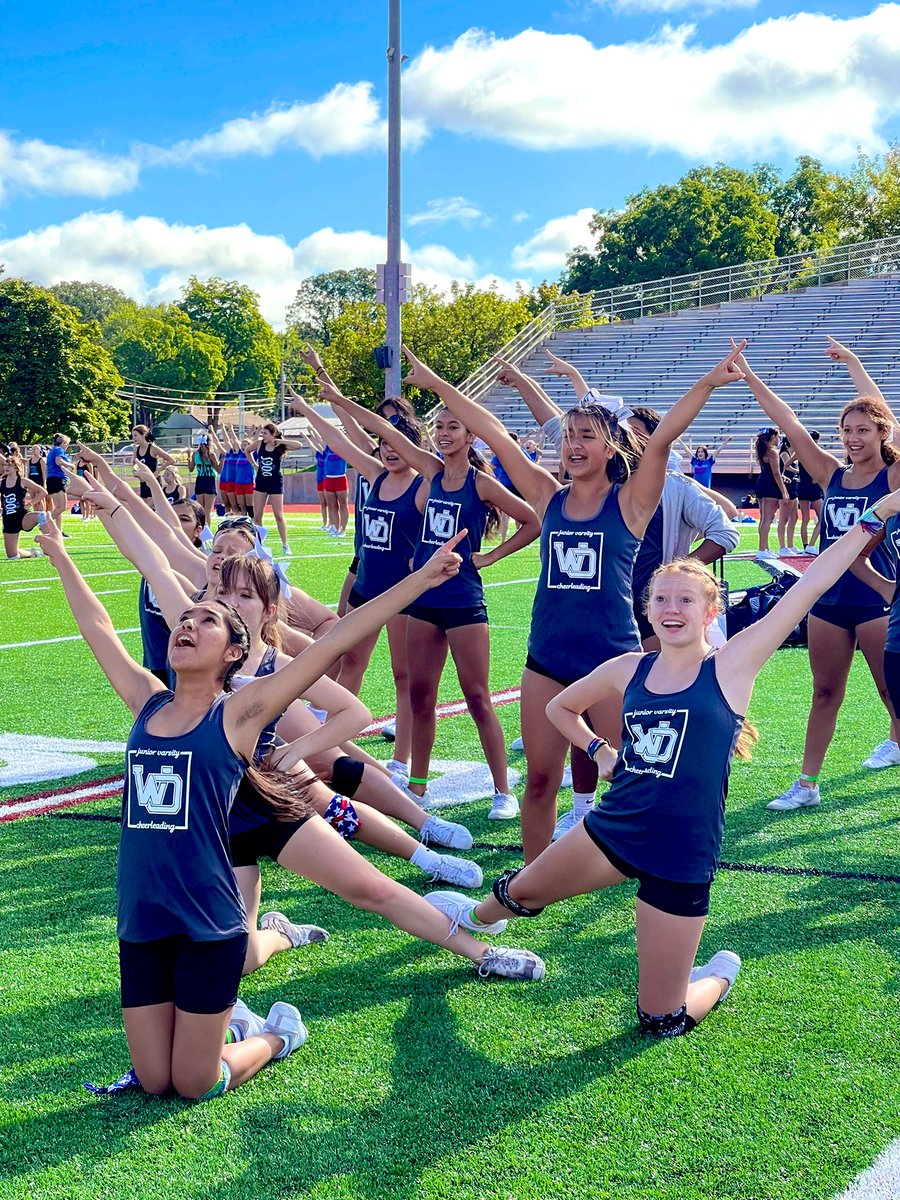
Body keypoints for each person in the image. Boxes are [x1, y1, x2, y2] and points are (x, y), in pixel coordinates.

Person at [425, 490, 900, 1038]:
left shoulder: (733, 666)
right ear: (646, 609)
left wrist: (878, 515)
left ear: (710, 611)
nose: (671, 610)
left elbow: (814, 581)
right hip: (614, 828)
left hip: (681, 851)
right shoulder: (628, 667)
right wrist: (600, 752)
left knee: (661, 1020)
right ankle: (469, 919)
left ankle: (717, 974)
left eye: (685, 601)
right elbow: (560, 707)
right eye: (661, 601)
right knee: (517, 895)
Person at [426, 342, 748, 861]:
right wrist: (439, 385)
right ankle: (529, 883)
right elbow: (494, 434)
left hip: (613, 660)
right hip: (546, 659)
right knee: (539, 781)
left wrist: (708, 384)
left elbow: (663, 438)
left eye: (586, 437)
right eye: (568, 436)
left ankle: (638, 864)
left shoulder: (632, 501)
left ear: (610, 448)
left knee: (632, 778)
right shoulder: (546, 496)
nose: (572, 445)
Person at [319, 354, 541, 820]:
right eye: (439, 427)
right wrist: (337, 400)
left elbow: (532, 521)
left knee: (477, 696)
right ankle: (417, 787)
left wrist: (490, 556)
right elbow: (388, 434)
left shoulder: (482, 484)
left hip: (463, 601)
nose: (443, 433)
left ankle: (503, 790)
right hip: (423, 601)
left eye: (453, 427)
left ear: (471, 436)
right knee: (421, 695)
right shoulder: (430, 472)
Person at [732, 340, 900, 803]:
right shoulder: (831, 475)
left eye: (864, 429)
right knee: (825, 692)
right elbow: (789, 422)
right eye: (847, 430)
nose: (853, 438)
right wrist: (749, 378)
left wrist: (854, 365)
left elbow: (888, 417)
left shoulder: (893, 476)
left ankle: (895, 738)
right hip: (826, 600)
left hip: (876, 599)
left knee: (893, 693)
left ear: (883, 433)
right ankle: (807, 784)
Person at [289, 387, 422, 777]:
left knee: (404, 675)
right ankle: (332, 742)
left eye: (398, 444)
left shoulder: (423, 486)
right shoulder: (376, 475)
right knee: (349, 662)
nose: (389, 451)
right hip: (366, 588)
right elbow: (338, 441)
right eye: (383, 444)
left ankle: (401, 760)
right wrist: (307, 411)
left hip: (401, 596)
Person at [245, 422, 304, 557]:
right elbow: (247, 450)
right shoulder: (260, 444)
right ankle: (259, 544)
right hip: (261, 482)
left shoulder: (280, 445)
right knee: (257, 515)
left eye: (265, 433)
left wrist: (280, 440)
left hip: (275, 482)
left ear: (273, 434)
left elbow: (298, 445)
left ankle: (285, 544)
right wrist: (254, 465)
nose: (263, 436)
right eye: (262, 433)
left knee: (278, 514)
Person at [1, 446, 48, 558]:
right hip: (8, 520)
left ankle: (53, 546)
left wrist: (30, 504)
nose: (6, 467)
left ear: (16, 467)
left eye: (9, 465)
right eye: (5, 465)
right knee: (12, 556)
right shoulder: (1, 483)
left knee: (42, 516)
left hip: (22, 516)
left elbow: (43, 492)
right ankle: (33, 553)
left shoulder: (23, 481)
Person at [753, 428, 788, 560]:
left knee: (763, 519)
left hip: (761, 484)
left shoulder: (762, 450)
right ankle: (762, 549)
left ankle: (765, 547)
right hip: (769, 487)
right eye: (777, 436)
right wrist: (784, 491)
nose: (778, 439)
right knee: (768, 519)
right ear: (772, 437)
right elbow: (776, 473)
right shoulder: (772, 451)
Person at [131, 425, 175, 505]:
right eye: (133, 436)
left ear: (143, 435)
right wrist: (137, 474)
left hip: (154, 481)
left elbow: (171, 460)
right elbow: (134, 465)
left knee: (152, 506)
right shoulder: (136, 449)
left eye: (135, 435)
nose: (134, 438)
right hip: (144, 482)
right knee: (144, 506)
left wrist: (158, 471)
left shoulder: (152, 448)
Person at [797, 429, 823, 555]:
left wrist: (800, 473)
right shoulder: (816, 452)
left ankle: (805, 546)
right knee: (822, 517)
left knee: (805, 519)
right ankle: (812, 545)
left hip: (802, 487)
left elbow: (786, 465)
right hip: (813, 488)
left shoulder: (800, 451)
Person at [776, 437, 800, 556]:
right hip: (787, 486)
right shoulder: (785, 453)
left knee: (794, 517)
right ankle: (782, 546)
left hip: (794, 486)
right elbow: (786, 466)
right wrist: (798, 472)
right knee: (784, 518)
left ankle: (790, 544)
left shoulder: (793, 453)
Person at [190, 433, 220, 520]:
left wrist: (189, 456)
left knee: (201, 510)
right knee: (207, 511)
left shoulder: (195, 454)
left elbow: (190, 469)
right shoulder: (211, 455)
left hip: (199, 481)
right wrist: (223, 459)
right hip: (209, 481)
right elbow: (218, 470)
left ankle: (202, 530)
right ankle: (207, 530)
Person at [323, 444, 349, 537]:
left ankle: (343, 530)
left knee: (343, 505)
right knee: (333, 506)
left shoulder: (344, 448)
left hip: (340, 478)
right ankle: (336, 528)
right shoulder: (328, 448)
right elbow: (320, 439)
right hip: (329, 479)